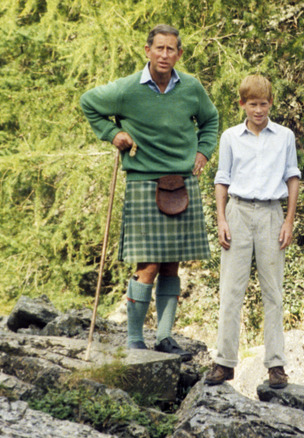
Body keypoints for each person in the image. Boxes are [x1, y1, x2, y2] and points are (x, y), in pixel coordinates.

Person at [80, 24, 219, 361]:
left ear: (179, 54)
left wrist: (203, 152)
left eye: (171, 49)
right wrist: (113, 134)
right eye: (159, 48)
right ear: (147, 51)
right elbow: (88, 103)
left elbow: (211, 119)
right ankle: (134, 340)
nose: (164, 55)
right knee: (149, 266)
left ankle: (165, 337)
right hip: (144, 182)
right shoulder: (127, 89)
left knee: (172, 265)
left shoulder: (191, 88)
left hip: (183, 182)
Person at [204, 75, 300, 389]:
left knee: (273, 291)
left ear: (271, 103)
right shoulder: (231, 136)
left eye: (263, 104)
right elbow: (222, 178)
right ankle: (224, 362)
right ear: (242, 104)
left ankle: (276, 365)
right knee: (232, 289)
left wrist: (289, 220)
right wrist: (221, 218)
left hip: (272, 213)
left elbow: (292, 178)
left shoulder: (284, 136)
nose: (258, 110)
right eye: (252, 104)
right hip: (238, 211)